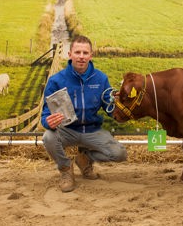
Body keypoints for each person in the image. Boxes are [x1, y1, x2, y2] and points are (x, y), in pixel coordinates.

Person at [41, 35, 127, 193]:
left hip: (92, 130)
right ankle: (66, 170)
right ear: (70, 54)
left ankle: (84, 159)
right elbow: (45, 114)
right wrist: (48, 122)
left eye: (85, 53)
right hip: (67, 130)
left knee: (119, 154)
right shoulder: (56, 81)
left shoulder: (101, 79)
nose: (81, 56)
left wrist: (120, 105)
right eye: (77, 52)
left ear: (91, 55)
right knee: (48, 137)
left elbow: (109, 107)